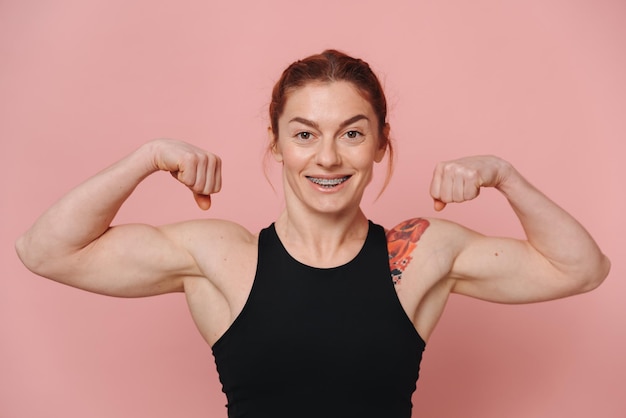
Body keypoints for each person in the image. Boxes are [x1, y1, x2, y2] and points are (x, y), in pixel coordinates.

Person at [15, 50, 610, 418]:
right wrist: (145, 158)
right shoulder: (221, 256)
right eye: (304, 134)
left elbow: (581, 268)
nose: (327, 158)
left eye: (352, 133)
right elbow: (45, 251)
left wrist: (505, 177)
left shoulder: (423, 252)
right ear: (276, 144)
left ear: (380, 143)